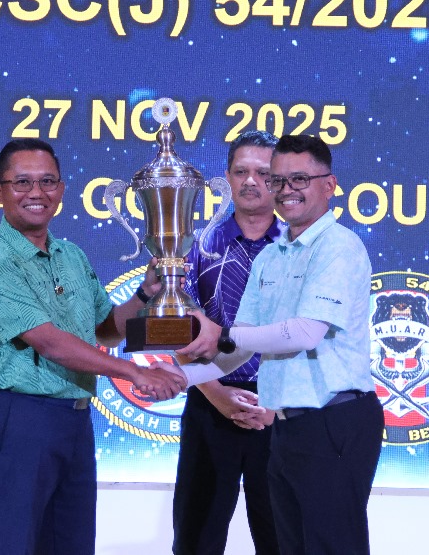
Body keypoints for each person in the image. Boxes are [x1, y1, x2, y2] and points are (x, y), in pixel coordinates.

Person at [167, 134, 384, 555]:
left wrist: (221, 333)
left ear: (329, 185)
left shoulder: (339, 246)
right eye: (279, 181)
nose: (286, 190)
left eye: (298, 179)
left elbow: (305, 333)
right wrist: (181, 377)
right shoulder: (271, 257)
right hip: (285, 427)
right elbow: (240, 348)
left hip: (332, 420)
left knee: (329, 547)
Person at [0, 138, 184, 555]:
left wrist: (145, 294)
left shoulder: (72, 256)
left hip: (74, 419)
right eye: (22, 182)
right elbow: (50, 343)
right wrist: (136, 373)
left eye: (47, 181)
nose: (36, 192)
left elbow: (105, 331)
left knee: (71, 544)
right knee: (10, 543)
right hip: (20, 416)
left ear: (62, 190)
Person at [168, 130, 283, 555]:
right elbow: (176, 328)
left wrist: (274, 404)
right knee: (197, 537)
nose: (251, 181)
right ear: (227, 178)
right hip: (210, 401)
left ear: (279, 180)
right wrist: (216, 395)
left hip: (281, 409)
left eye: (263, 173)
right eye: (241, 172)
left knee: (283, 538)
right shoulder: (194, 247)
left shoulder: (300, 249)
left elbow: (312, 332)